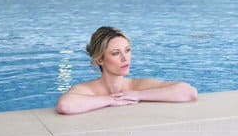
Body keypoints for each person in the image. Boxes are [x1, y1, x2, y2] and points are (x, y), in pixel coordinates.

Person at [56, 26, 198, 115]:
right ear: (100, 60)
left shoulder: (136, 87)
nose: (125, 58)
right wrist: (110, 99)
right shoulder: (88, 90)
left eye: (127, 50)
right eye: (116, 53)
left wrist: (138, 95)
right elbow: (65, 105)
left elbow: (189, 92)